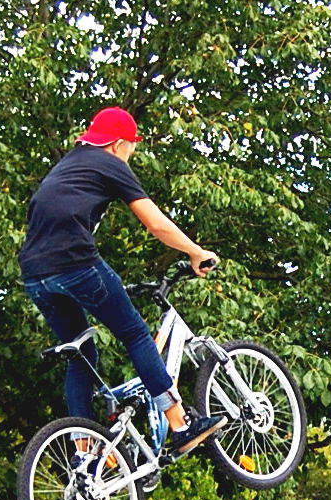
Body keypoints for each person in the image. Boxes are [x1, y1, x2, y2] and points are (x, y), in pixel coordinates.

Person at [20, 105, 223, 455]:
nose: (131, 156)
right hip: (75, 263)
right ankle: (180, 424)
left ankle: (83, 452)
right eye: (132, 148)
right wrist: (194, 251)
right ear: (117, 144)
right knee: (134, 333)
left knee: (81, 354)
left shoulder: (68, 164)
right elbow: (155, 223)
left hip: (35, 274)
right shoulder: (110, 163)